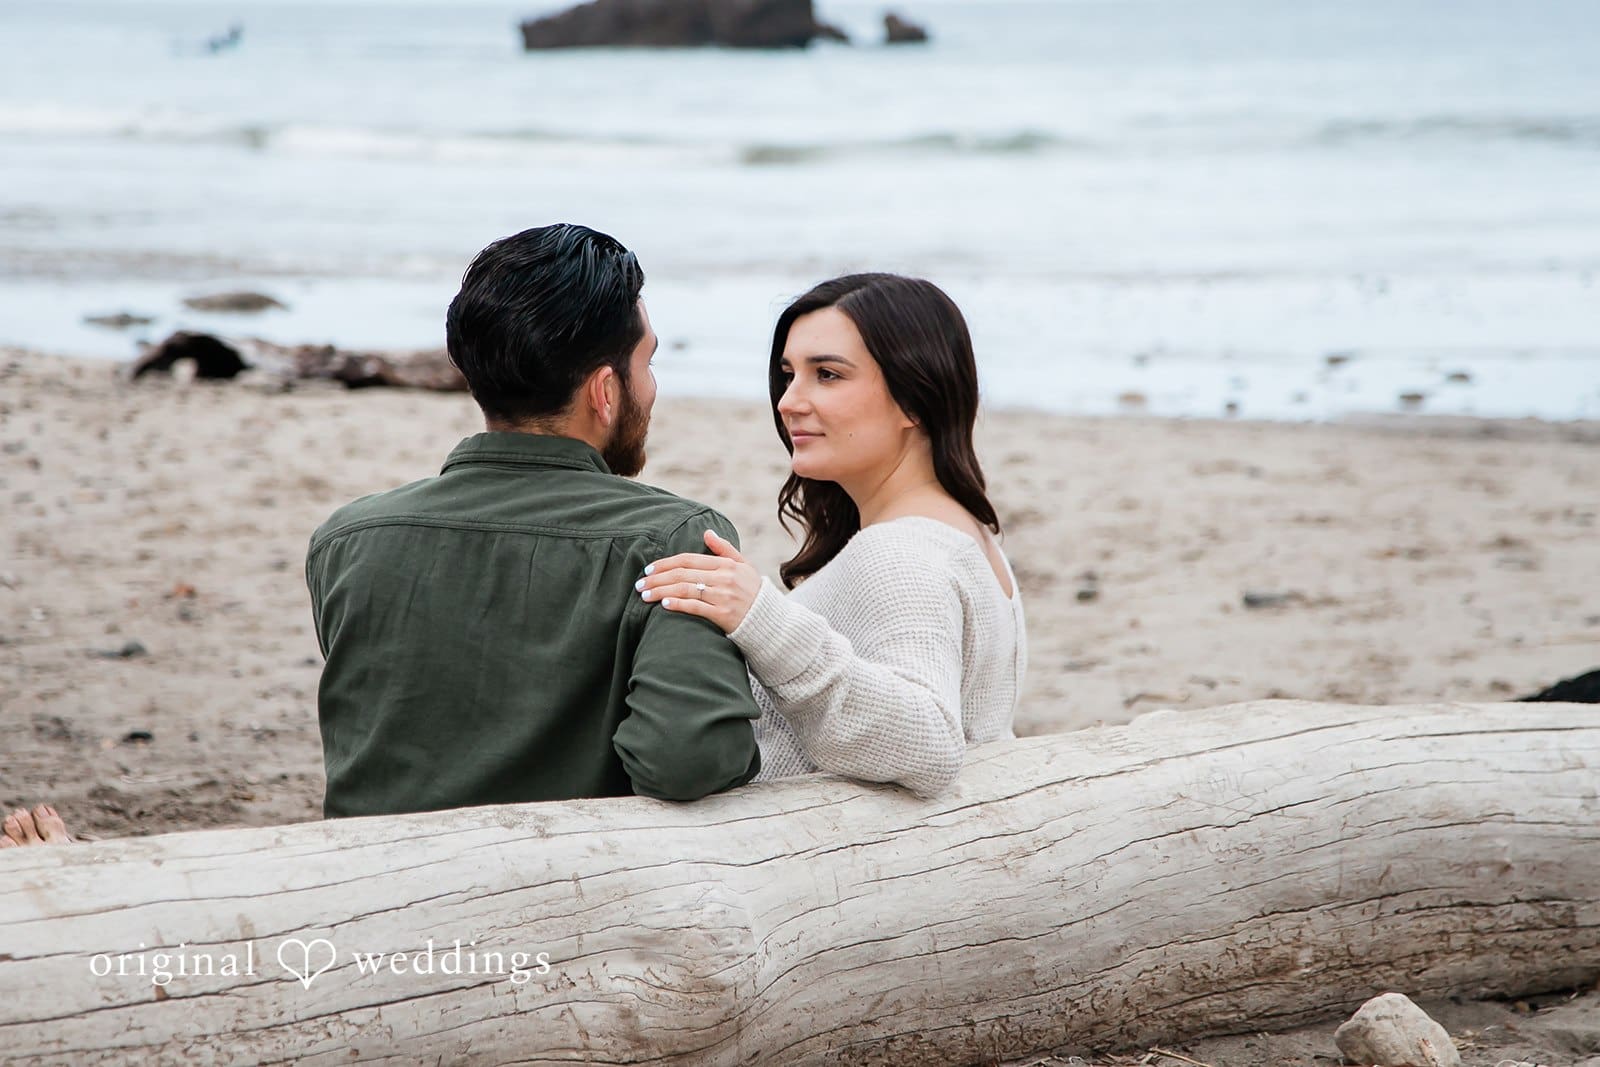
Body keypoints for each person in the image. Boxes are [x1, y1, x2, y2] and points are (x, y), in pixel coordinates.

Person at [306, 223, 762, 816]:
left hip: (366, 872)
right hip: (572, 874)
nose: (651, 387)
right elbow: (689, 758)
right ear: (604, 392)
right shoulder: (673, 540)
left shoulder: (346, 541)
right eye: (647, 362)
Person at [634, 274, 1026, 797]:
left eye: (827, 374)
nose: (789, 401)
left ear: (915, 399)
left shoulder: (901, 552)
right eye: (788, 374)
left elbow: (929, 743)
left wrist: (762, 620)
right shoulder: (966, 532)